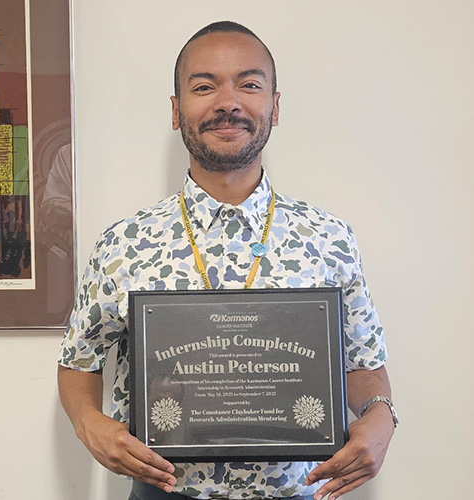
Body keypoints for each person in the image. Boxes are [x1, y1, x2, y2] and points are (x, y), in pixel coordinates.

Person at [58, 21, 396, 500]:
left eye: (250, 85)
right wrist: (89, 425)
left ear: (275, 107)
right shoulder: (124, 242)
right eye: (203, 87)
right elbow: (78, 360)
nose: (228, 103)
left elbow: (363, 361)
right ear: (176, 111)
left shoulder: (328, 239)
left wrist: (380, 416)